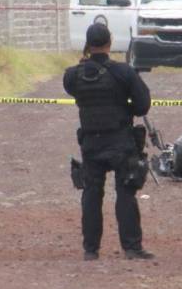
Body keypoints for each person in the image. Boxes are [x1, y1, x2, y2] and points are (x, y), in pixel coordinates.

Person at [63, 23, 154, 261]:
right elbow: (143, 105)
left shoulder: (73, 75)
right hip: (120, 141)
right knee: (125, 192)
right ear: (109, 43)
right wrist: (124, 106)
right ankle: (131, 247)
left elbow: (75, 92)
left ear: (88, 43)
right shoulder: (123, 73)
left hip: (91, 142)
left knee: (91, 194)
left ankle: (90, 250)